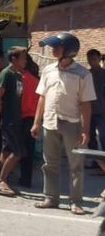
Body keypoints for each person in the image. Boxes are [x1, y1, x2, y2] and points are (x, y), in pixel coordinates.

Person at [32, 33, 97, 215]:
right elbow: (42, 98)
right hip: (50, 123)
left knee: (75, 165)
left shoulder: (82, 74)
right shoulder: (48, 70)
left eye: (57, 47)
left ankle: (75, 201)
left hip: (72, 125)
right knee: (49, 163)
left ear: (69, 50)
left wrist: (85, 130)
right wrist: (37, 122)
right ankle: (50, 198)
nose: (53, 50)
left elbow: (86, 104)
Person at [0, 47, 27, 196]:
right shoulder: (5, 74)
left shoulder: (18, 76)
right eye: (23, 58)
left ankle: (3, 181)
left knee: (6, 151)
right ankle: (2, 180)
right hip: (8, 119)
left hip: (17, 118)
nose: (25, 61)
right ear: (14, 59)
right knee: (18, 152)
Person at [19, 57, 40, 187]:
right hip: (33, 119)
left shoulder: (20, 80)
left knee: (15, 150)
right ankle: (26, 179)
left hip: (20, 118)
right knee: (29, 151)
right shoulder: (37, 81)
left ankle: (4, 176)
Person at [86, 49, 105, 161]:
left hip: (102, 111)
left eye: (93, 59)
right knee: (90, 137)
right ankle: (96, 162)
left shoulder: (103, 74)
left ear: (99, 59)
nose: (91, 61)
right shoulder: (86, 75)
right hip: (89, 111)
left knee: (103, 136)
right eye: (89, 59)